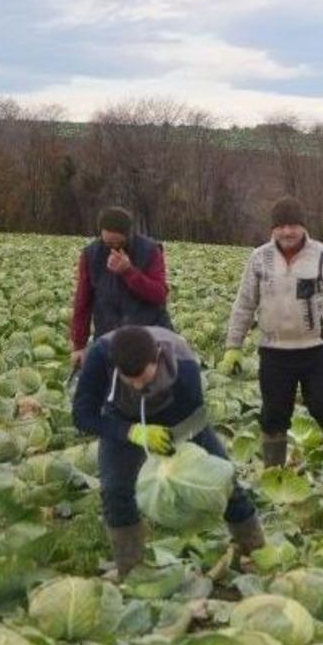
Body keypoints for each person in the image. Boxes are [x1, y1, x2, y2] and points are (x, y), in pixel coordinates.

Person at [72, 326, 262, 578]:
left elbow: (194, 415)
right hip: (123, 420)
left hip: (180, 419)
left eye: (144, 377)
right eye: (131, 380)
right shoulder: (100, 358)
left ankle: (255, 550)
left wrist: (175, 453)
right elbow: (82, 416)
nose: (139, 385)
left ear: (157, 357)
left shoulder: (184, 365)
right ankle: (131, 570)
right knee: (115, 491)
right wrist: (131, 432)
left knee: (223, 478)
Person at [222, 196, 323, 468]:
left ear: (303, 227)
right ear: (273, 228)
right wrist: (232, 346)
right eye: (281, 226)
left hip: (318, 350)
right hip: (274, 351)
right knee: (274, 414)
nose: (287, 232)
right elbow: (245, 303)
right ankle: (274, 471)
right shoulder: (260, 258)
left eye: (293, 225)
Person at [70, 206, 173, 369]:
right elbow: (83, 302)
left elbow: (159, 294)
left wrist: (129, 272)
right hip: (110, 337)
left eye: (119, 244)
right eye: (108, 244)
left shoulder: (150, 251)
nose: (113, 249)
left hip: (150, 336)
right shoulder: (90, 255)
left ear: (129, 234)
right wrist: (79, 345)